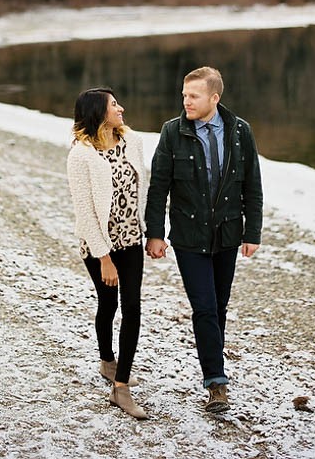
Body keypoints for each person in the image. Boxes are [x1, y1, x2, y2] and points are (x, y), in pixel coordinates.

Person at [145, 66, 263, 414]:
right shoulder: (172, 132)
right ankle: (216, 382)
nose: (186, 102)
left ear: (215, 97)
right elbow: (158, 188)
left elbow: (252, 186)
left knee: (218, 308)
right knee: (205, 307)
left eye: (193, 96)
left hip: (227, 234)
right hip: (188, 237)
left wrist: (251, 232)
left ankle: (214, 365)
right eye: (184, 95)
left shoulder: (240, 131)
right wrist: (155, 233)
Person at [67, 87, 148, 420]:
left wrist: (151, 231)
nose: (121, 109)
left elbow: (145, 186)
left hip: (132, 240)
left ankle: (121, 386)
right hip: (98, 245)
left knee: (131, 306)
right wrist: (104, 258)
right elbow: (85, 211)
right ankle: (106, 360)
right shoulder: (81, 155)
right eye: (114, 105)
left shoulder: (133, 141)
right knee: (108, 303)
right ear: (98, 112)